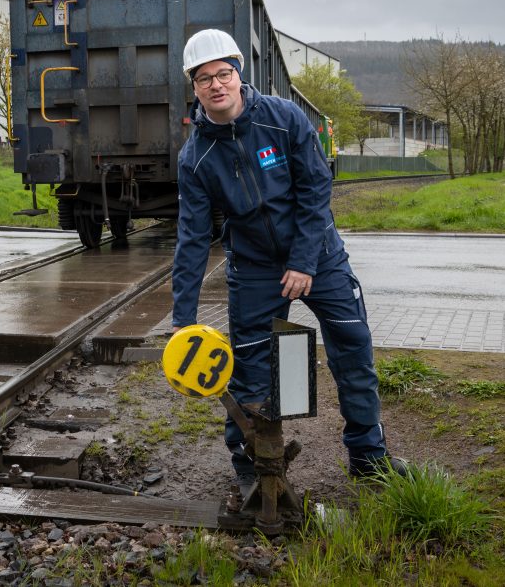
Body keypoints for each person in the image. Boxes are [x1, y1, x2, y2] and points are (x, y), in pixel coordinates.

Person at [170, 29, 404, 485]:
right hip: (255, 270)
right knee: (251, 370)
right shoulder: (195, 157)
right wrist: (183, 317)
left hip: (319, 254)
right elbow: (193, 237)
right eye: (204, 79)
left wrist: (303, 262)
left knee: (353, 348)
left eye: (224, 73)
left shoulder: (284, 118)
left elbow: (316, 189)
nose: (216, 85)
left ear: (239, 73)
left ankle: (368, 458)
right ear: (193, 87)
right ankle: (254, 470)